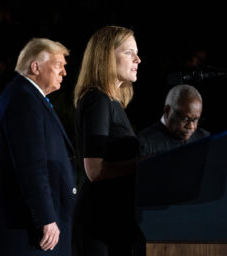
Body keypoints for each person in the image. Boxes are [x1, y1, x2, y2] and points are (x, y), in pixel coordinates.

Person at [0, 38, 77, 256]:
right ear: (36, 66)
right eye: (59, 65)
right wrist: (46, 217)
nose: (64, 73)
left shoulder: (28, 98)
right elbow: (31, 164)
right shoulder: (23, 101)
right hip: (28, 234)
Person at [72, 25, 142, 256]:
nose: (138, 59)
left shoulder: (113, 103)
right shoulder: (97, 100)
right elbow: (94, 170)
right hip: (99, 220)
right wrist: (144, 164)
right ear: (106, 56)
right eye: (129, 52)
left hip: (114, 219)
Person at [138, 84, 210, 156]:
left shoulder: (204, 137)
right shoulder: (144, 144)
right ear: (167, 111)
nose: (191, 126)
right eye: (185, 119)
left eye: (195, 120)